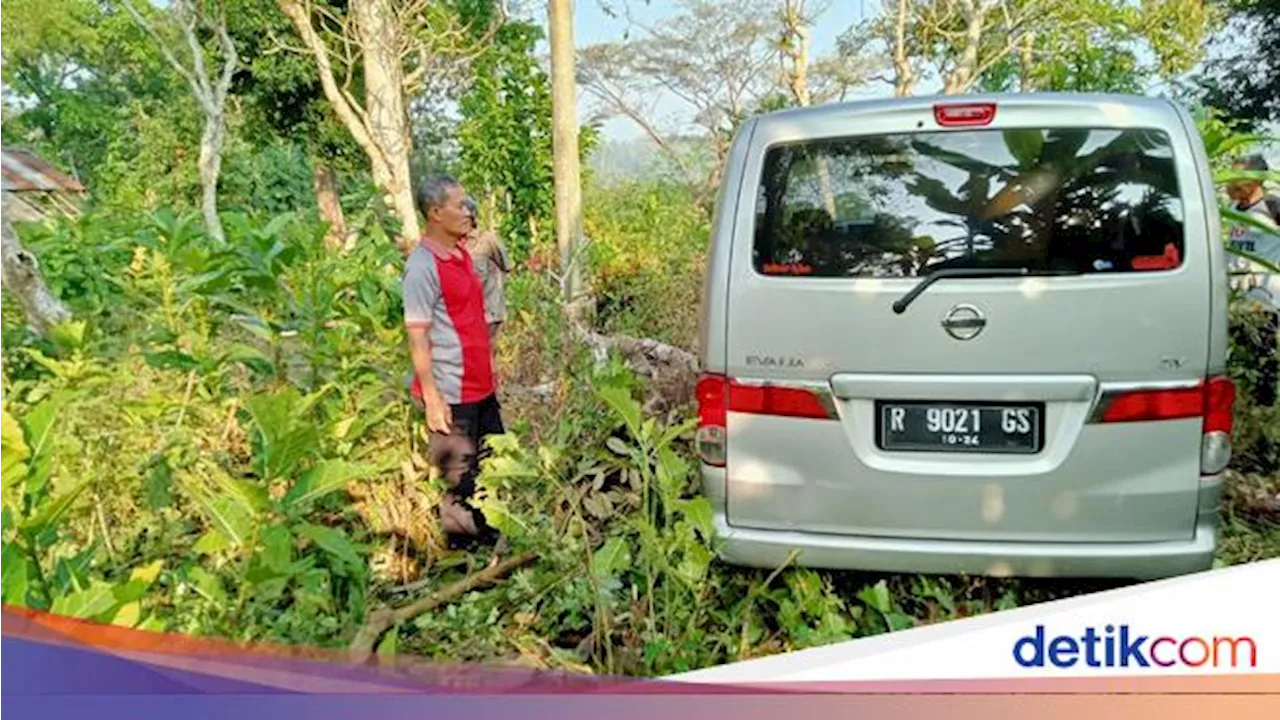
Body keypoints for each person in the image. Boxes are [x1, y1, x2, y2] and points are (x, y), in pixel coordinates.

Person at [403, 174, 504, 548]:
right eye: (460, 205)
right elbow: (417, 335)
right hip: (450, 393)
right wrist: (431, 398)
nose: (468, 211)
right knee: (460, 484)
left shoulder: (460, 253)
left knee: (493, 469)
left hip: (481, 388)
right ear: (435, 213)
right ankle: (466, 569)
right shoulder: (422, 267)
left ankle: (494, 543)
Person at [1226, 154, 1280, 406]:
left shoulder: (1272, 207)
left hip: (1265, 300)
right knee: (1238, 360)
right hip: (1235, 299)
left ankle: (1264, 413)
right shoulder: (1232, 210)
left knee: (1263, 362)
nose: (1233, 183)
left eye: (1240, 177)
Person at [460, 196, 511, 341]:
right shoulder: (452, 244)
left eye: (466, 217)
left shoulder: (487, 240)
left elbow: (506, 266)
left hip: (489, 313)